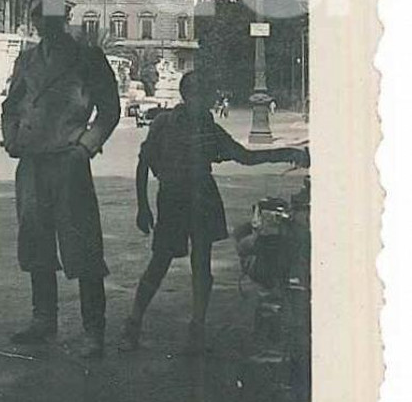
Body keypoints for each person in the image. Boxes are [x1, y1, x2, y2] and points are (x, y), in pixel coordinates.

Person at [119, 70, 309, 355]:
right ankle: (134, 323)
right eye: (203, 94)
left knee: (201, 264)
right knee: (160, 263)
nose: (207, 100)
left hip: (198, 197)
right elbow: (144, 163)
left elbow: (244, 156)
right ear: (189, 95)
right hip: (175, 199)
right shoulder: (165, 124)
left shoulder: (204, 128)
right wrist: (143, 206)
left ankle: (196, 327)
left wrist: (287, 153)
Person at [1, 0, 121, 357]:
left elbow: (109, 109)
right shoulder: (26, 60)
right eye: (37, 16)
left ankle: (93, 330)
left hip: (69, 161)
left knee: (83, 245)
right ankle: (43, 320)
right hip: (32, 162)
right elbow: (11, 105)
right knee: (35, 242)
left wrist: (86, 147)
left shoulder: (87, 57)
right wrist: (12, 137)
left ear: (63, 19)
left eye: (50, 16)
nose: (43, 23)